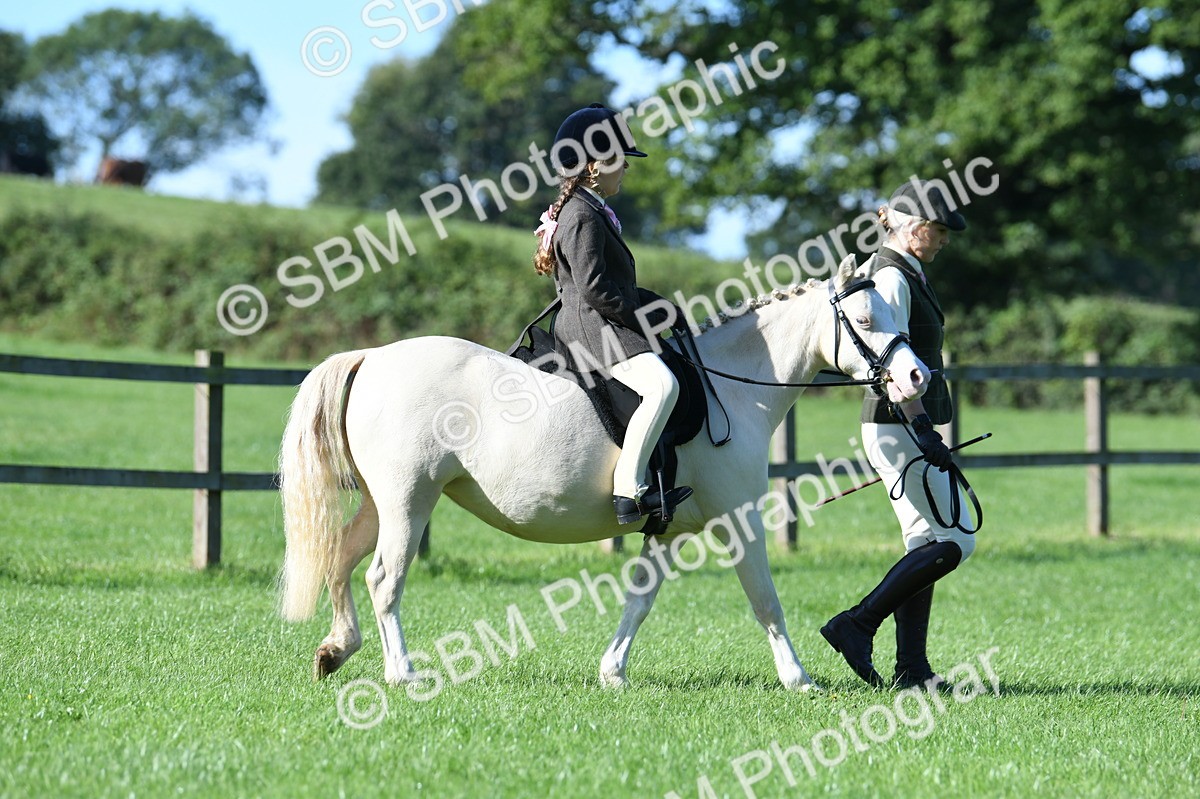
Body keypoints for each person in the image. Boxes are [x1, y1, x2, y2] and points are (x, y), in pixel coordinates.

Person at [820, 180, 976, 690]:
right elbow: (890, 362)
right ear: (914, 228)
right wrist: (922, 427)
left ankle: (912, 670)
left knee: (924, 544)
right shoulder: (891, 279)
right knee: (957, 540)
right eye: (940, 231)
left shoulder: (907, 271)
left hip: (904, 426)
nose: (945, 240)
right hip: (900, 425)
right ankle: (857, 623)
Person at [532, 103, 692, 526]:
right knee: (662, 386)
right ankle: (628, 490)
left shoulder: (587, 208)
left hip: (597, 320)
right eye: (621, 160)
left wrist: (661, 305)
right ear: (595, 165)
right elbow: (596, 288)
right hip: (592, 329)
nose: (627, 169)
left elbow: (611, 284)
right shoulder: (582, 214)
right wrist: (647, 318)